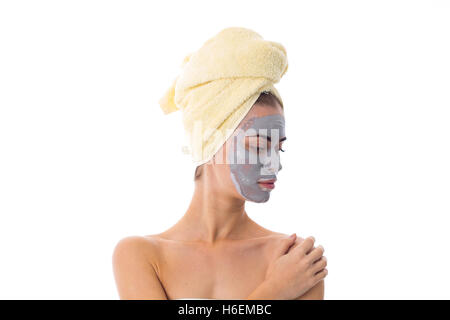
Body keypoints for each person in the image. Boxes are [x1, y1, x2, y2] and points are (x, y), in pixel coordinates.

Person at [113, 27, 327, 299]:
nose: (275, 164)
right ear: (210, 141)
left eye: (279, 148)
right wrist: (275, 291)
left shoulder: (295, 260)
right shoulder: (141, 255)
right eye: (259, 145)